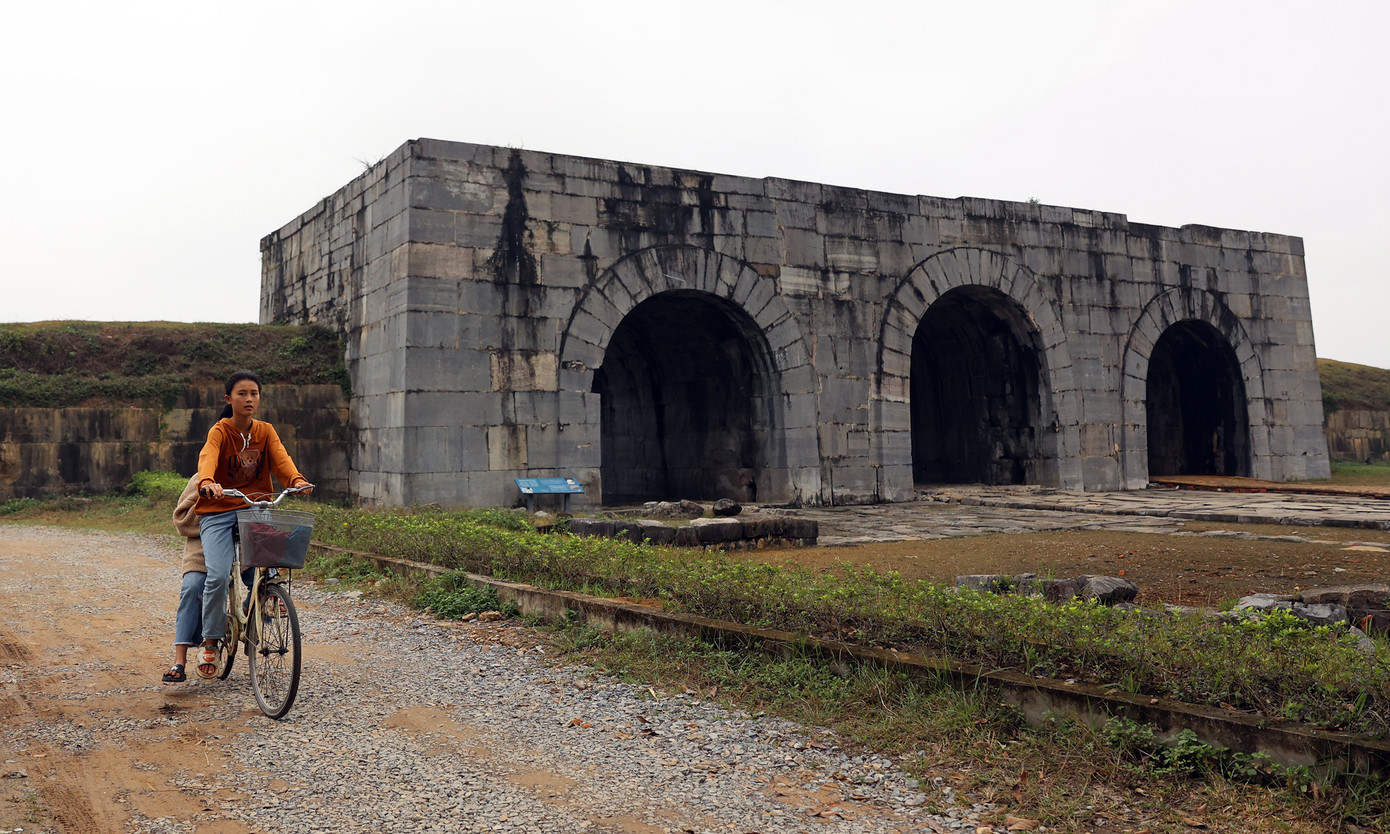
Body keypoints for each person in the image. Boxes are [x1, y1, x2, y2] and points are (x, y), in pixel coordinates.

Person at [187, 370, 312, 679]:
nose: (249, 399)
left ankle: (261, 600)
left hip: (254, 507)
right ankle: (211, 641)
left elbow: (281, 459)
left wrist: (295, 480)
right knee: (215, 576)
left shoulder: (265, 431)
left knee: (268, 566)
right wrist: (207, 482)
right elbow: (208, 457)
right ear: (229, 399)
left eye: (254, 393)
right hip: (217, 510)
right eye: (242, 394)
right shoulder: (220, 431)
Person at [162, 475, 209, 683]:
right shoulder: (200, 478)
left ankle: (250, 607)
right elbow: (182, 521)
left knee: (260, 574)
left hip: (242, 546)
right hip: (201, 549)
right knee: (192, 587)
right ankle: (179, 660)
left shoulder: (246, 475)